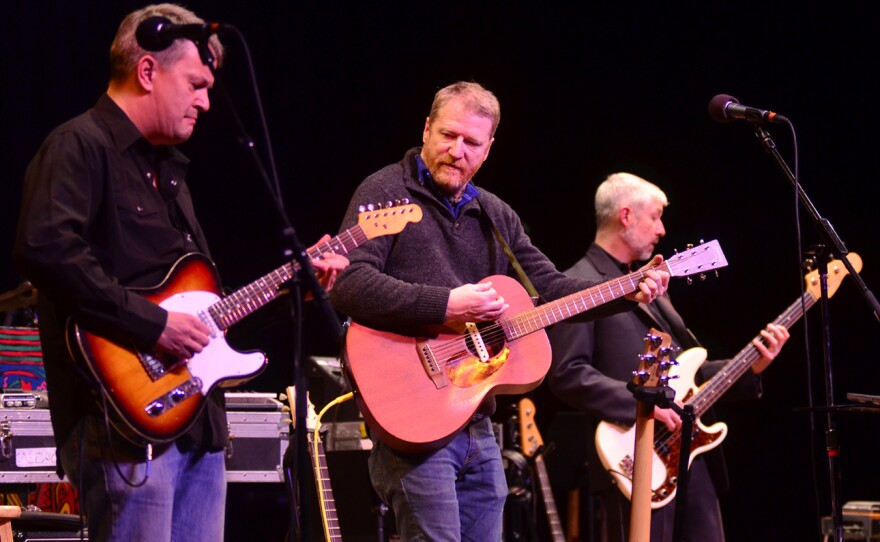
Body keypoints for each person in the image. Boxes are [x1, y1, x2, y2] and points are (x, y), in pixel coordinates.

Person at [12, 4, 348, 541]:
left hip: (198, 427)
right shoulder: (79, 145)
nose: (206, 103)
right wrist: (153, 326)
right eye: (196, 85)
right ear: (147, 71)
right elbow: (45, 248)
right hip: (122, 427)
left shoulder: (169, 173)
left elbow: (205, 317)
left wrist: (294, 293)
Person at [328, 82, 670, 541]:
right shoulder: (385, 190)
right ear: (426, 129)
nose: (457, 151)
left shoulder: (495, 214)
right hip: (411, 418)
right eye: (447, 135)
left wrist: (626, 290)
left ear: (488, 148)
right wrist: (446, 304)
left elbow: (551, 289)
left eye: (471, 142)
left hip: (475, 422)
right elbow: (347, 282)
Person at [544, 172, 790, 542]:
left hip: (688, 453)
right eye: (655, 216)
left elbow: (686, 370)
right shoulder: (579, 284)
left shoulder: (653, 286)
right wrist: (642, 404)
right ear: (626, 216)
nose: (662, 230)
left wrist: (752, 365)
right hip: (633, 455)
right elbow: (568, 372)